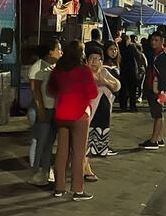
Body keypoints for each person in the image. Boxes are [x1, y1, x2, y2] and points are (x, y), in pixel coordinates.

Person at [47, 40, 98, 200]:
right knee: (78, 154)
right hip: (79, 115)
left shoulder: (58, 69)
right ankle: (78, 190)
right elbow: (93, 93)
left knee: (62, 153)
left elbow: (50, 89)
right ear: (80, 54)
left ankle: (59, 188)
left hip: (61, 114)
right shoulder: (84, 70)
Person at [28, 39, 62, 186]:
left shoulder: (57, 66)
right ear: (50, 51)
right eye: (58, 49)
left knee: (49, 143)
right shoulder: (38, 67)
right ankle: (37, 172)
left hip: (54, 109)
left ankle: (46, 171)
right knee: (40, 142)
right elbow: (35, 91)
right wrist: (41, 109)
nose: (61, 52)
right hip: (42, 110)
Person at [86, 45, 122, 158]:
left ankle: (99, 150)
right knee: (87, 134)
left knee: (101, 131)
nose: (95, 62)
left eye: (98, 59)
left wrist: (106, 82)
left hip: (104, 111)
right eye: (92, 58)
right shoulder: (84, 72)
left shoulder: (104, 72)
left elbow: (117, 85)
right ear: (87, 60)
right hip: (89, 112)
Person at [140, 33, 166, 150]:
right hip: (154, 87)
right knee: (159, 113)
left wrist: (161, 90)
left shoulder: (163, 56)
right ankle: (159, 138)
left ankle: (154, 141)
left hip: (158, 89)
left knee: (157, 114)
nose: (153, 42)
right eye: (152, 39)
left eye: (156, 40)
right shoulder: (156, 54)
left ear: (162, 41)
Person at [118, 34, 141, 112]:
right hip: (132, 70)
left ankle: (123, 105)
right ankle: (132, 106)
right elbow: (138, 56)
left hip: (123, 70)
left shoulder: (119, 47)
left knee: (123, 89)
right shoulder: (132, 47)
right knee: (132, 90)